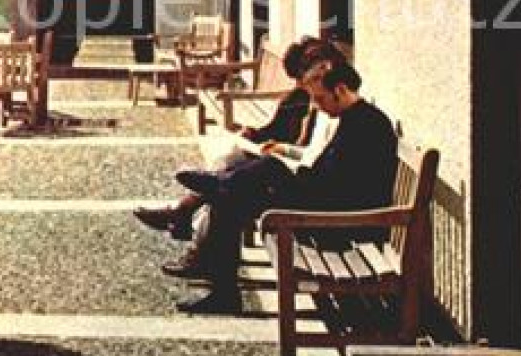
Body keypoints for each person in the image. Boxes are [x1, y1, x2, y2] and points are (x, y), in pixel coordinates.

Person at [173, 56, 399, 314]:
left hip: (343, 223)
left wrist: (291, 176)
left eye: (321, 98)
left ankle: (220, 185)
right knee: (230, 199)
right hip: (330, 207)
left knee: (267, 170)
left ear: (341, 90)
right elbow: (330, 179)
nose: (317, 106)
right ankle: (223, 289)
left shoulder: (366, 126)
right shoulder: (353, 118)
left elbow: (338, 187)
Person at [134, 37, 327, 240]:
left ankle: (184, 214)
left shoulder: (328, 104)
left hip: (293, 173)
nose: (300, 84)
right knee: (230, 166)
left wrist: (283, 150)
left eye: (301, 77)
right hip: (283, 158)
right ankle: (187, 216)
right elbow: (276, 128)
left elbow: (312, 156)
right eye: (298, 78)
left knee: (231, 174)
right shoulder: (302, 96)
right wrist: (253, 134)